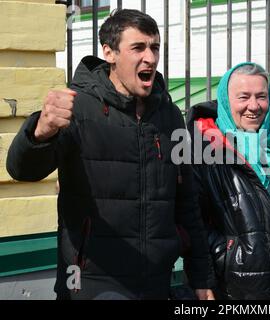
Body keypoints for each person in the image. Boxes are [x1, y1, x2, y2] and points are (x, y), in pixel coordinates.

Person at [6, 9, 213, 300]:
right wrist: (39, 133)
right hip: (89, 281)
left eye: (155, 47)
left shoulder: (170, 117)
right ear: (110, 53)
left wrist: (201, 277)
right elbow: (21, 170)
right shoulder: (78, 108)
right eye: (138, 47)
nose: (151, 58)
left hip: (156, 281)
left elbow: (187, 203)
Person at [185, 62, 270, 300]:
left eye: (261, 96)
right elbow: (193, 223)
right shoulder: (205, 152)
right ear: (226, 102)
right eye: (243, 97)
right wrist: (226, 258)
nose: (254, 106)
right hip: (248, 287)